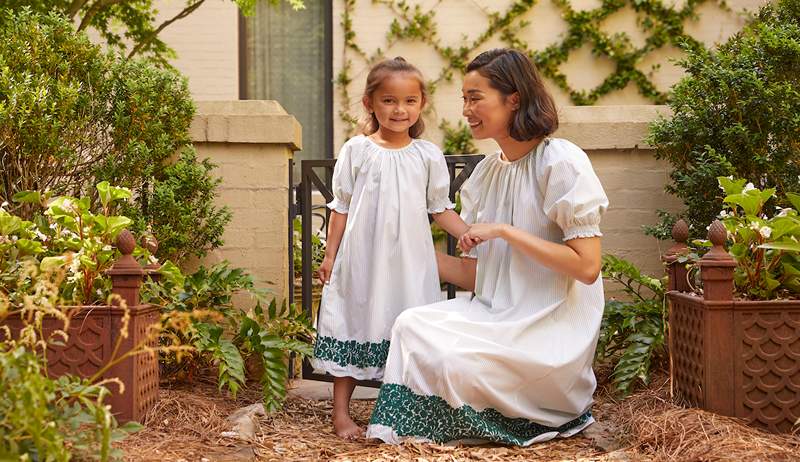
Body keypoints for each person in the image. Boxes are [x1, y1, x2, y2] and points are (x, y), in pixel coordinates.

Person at [366, 48, 610, 446]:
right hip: (496, 315)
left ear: (513, 98)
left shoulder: (561, 162)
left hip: (547, 330)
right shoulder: (487, 174)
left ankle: (534, 414)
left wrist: (506, 232)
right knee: (412, 325)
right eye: (464, 98)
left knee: (451, 359)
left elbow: (587, 267)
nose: (466, 109)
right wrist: (406, 252)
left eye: (475, 97)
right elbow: (478, 276)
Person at [311, 57, 469, 440]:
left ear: (421, 104)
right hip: (362, 258)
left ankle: (397, 412)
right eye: (389, 101)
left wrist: (467, 232)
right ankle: (341, 414)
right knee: (354, 318)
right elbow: (341, 206)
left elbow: (439, 207)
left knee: (407, 323)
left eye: (409, 101)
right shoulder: (357, 150)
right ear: (370, 103)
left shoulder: (428, 155)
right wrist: (330, 256)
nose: (400, 110)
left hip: (409, 262)